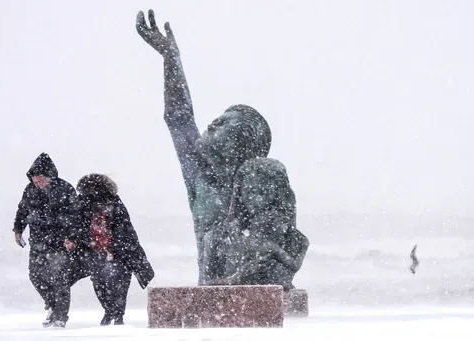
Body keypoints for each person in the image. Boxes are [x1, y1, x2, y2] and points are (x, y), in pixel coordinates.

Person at [136, 9, 308, 287]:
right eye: (219, 117)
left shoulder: (260, 177)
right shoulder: (200, 175)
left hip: (255, 283)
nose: (214, 122)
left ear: (242, 145)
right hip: (215, 290)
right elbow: (179, 117)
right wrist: (171, 58)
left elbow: (283, 228)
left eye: (227, 123)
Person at [64, 174, 154, 326]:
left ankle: (118, 315)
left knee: (120, 281)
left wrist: (112, 248)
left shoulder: (114, 202)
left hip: (120, 250)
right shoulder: (83, 203)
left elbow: (124, 228)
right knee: (99, 281)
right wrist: (75, 239)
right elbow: (76, 226)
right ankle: (110, 311)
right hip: (94, 250)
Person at [13, 153, 78, 328]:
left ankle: (60, 317)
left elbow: (75, 216)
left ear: (49, 176)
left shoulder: (65, 189)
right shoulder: (29, 190)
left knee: (60, 279)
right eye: (34, 179)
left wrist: (72, 238)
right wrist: (18, 230)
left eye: (40, 179)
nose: (37, 183)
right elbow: (22, 211)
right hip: (38, 242)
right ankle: (53, 306)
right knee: (35, 276)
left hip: (59, 243)